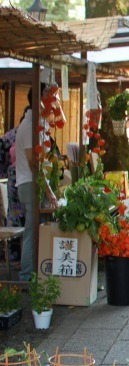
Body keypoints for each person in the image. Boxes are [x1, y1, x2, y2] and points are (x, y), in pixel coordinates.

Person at [16, 85, 59, 281]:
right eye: (50, 96)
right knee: (32, 230)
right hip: (29, 183)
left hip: (34, 182)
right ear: (41, 98)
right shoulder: (28, 126)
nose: (53, 100)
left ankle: (34, 271)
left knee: (37, 229)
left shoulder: (37, 122)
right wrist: (49, 190)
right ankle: (26, 275)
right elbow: (33, 162)